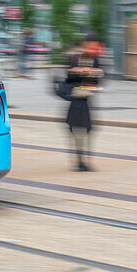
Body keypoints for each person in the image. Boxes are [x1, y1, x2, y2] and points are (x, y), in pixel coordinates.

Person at [58, 38, 103, 172]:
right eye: (89, 46)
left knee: (89, 130)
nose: (91, 49)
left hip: (88, 101)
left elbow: (100, 79)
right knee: (75, 130)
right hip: (75, 101)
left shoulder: (95, 61)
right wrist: (78, 72)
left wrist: (92, 75)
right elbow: (67, 78)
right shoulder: (74, 60)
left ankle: (85, 161)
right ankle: (79, 161)